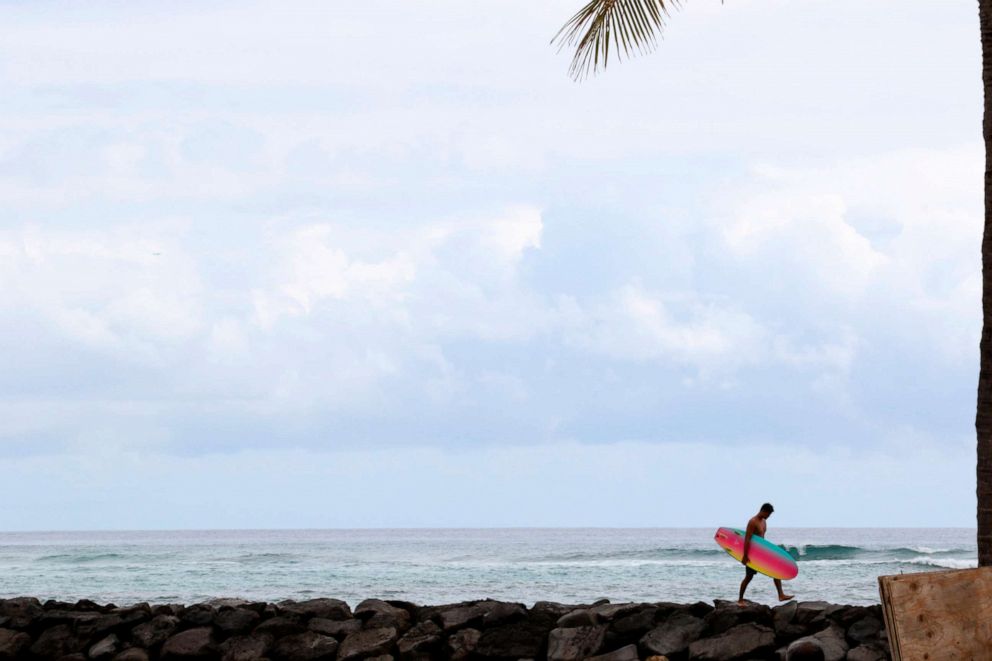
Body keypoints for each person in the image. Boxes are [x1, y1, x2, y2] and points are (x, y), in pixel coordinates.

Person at [738, 502, 794, 605]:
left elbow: (762, 540)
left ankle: (781, 595)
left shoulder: (763, 522)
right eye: (768, 514)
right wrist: (745, 556)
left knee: (775, 570)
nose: (768, 517)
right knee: (748, 577)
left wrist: (768, 552)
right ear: (763, 511)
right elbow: (747, 540)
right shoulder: (752, 522)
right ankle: (740, 599)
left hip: (761, 553)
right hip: (753, 555)